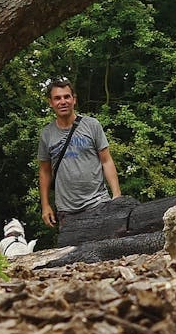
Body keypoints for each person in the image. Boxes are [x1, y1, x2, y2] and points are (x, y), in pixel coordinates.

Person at [37, 77, 127, 245]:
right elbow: (44, 171)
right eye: (57, 98)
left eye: (66, 97)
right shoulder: (47, 134)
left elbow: (106, 161)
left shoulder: (92, 125)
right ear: (51, 102)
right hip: (67, 210)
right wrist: (45, 205)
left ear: (74, 99)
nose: (63, 101)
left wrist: (116, 195)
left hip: (98, 202)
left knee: (107, 249)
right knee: (73, 258)